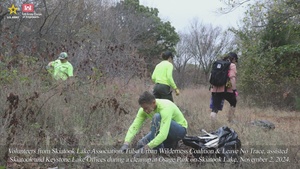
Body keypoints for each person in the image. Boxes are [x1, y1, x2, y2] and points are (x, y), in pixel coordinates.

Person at [120, 91, 188, 155]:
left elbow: (163, 134)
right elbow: (134, 126)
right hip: (163, 130)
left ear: (153, 102)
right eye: (143, 108)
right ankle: (169, 145)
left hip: (179, 131)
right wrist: (126, 143)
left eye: (146, 108)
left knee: (157, 116)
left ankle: (160, 153)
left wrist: (146, 148)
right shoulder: (143, 110)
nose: (145, 111)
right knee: (140, 144)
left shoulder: (165, 107)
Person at [210, 52, 238, 122]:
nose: (235, 61)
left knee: (214, 109)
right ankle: (230, 120)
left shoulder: (217, 64)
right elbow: (232, 78)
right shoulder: (232, 65)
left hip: (215, 89)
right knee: (233, 102)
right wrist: (234, 90)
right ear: (233, 58)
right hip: (227, 90)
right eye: (235, 60)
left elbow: (210, 77)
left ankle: (212, 125)